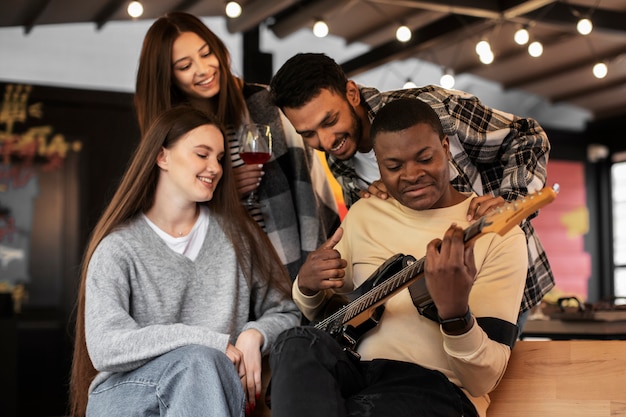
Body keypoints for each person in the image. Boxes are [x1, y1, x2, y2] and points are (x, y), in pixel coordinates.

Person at [269, 98, 527, 417]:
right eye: (394, 166)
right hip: (358, 376)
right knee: (293, 343)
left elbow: (483, 379)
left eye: (425, 158)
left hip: (436, 390)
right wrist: (307, 287)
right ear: (378, 165)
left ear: (446, 148)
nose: (411, 175)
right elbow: (333, 310)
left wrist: (455, 313)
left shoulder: (496, 233)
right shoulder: (364, 213)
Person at [269, 52, 553, 328]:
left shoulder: (434, 108)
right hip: (428, 302)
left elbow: (527, 136)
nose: (326, 141)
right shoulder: (339, 156)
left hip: (499, 276)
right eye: (308, 134)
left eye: (330, 121)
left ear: (352, 94)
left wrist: (512, 203)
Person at [69, 106, 300, 417]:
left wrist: (254, 335)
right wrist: (207, 341)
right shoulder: (118, 248)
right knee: (200, 361)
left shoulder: (239, 236)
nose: (215, 168)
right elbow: (106, 346)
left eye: (220, 158)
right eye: (202, 154)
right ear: (162, 157)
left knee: (204, 365)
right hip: (127, 398)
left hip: (210, 392)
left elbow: (286, 310)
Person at [134, 13, 340, 279]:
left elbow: (309, 182)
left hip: (286, 260)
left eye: (206, 53)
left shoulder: (266, 105)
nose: (204, 69)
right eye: (185, 66)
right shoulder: (169, 136)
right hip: (224, 272)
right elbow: (166, 216)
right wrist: (224, 191)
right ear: (168, 77)